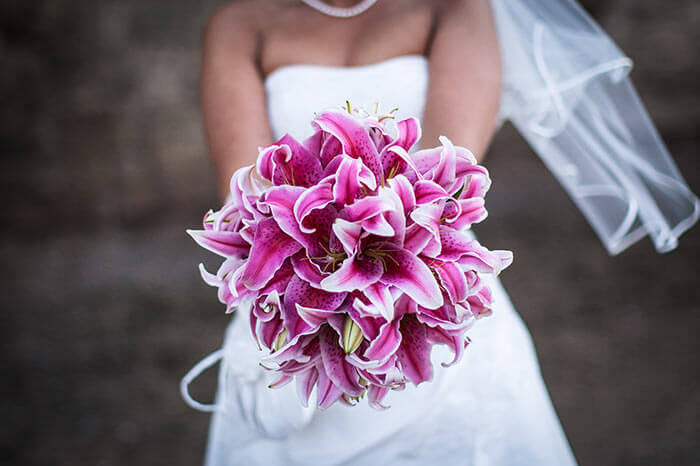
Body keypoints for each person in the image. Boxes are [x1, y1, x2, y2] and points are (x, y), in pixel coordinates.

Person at [183, 1, 699, 464]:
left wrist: (358, 252)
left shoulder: (457, 6)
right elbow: (248, 195)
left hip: (430, 294)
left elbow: (449, 177)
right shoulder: (240, 22)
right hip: (293, 308)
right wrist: (327, 266)